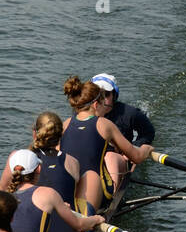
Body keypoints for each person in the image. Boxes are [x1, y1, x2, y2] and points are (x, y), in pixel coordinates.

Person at [59, 75, 155, 212]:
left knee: (109, 158)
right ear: (96, 104)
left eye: (107, 95)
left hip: (70, 188)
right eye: (102, 99)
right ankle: (110, 202)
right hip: (97, 186)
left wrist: (140, 142)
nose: (106, 102)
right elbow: (138, 157)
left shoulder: (66, 124)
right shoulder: (105, 124)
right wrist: (146, 149)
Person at [0, 112, 80, 210]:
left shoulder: (16, 157)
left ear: (34, 133)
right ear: (61, 135)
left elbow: (2, 190)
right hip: (66, 220)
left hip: (30, 218)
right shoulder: (73, 162)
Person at [90, 73, 156, 189]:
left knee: (110, 156)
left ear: (114, 96)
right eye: (97, 94)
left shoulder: (130, 114)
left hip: (117, 158)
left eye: (106, 94)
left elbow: (148, 133)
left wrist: (133, 149)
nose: (101, 99)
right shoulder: (84, 114)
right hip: (95, 158)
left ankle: (113, 192)